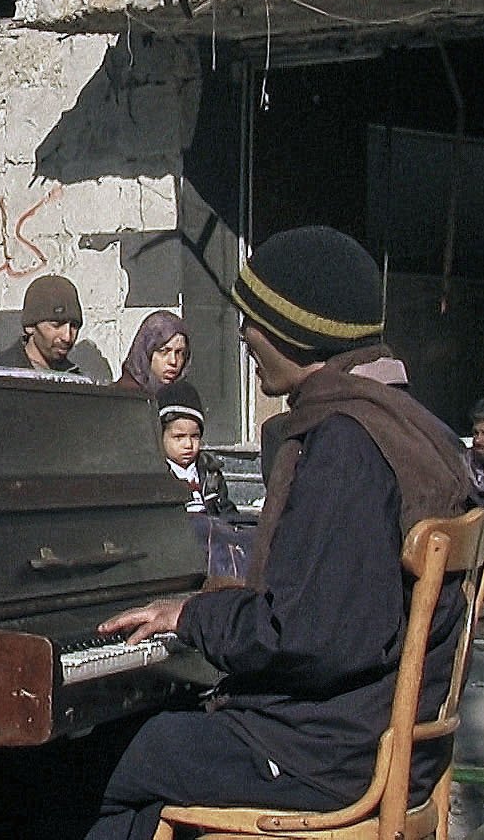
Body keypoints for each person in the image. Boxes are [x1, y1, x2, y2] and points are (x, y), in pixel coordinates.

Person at [85, 225, 473, 840]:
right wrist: (222, 600)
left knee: (110, 759)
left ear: (297, 333)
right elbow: (338, 598)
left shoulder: (346, 443)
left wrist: (190, 616)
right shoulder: (410, 423)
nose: (243, 336)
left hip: (325, 756)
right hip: (372, 740)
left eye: (252, 321)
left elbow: (307, 637)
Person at [156, 380, 234, 517]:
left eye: (194, 436)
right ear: (161, 437)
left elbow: (226, 511)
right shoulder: (157, 475)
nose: (188, 445)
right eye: (178, 437)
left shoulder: (210, 473)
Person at [0, 273, 84, 373]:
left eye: (74, 326)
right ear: (30, 326)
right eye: (56, 325)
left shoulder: (76, 378)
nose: (67, 337)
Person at [113, 310, 190, 395]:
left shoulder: (183, 398)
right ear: (146, 353)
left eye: (180, 353)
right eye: (164, 351)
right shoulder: (122, 398)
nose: (173, 361)